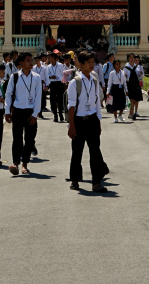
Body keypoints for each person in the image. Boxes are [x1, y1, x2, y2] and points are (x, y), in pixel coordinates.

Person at [67, 50, 107, 193]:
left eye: (93, 62)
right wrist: (71, 125)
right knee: (77, 152)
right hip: (78, 120)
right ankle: (75, 180)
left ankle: (96, 183)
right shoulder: (74, 83)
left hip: (92, 120)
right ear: (81, 64)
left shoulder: (95, 81)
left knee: (95, 152)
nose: (92, 65)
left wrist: (99, 121)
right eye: (88, 62)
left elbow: (97, 103)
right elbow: (71, 105)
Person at [4, 52, 42, 175]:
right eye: (28, 61)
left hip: (31, 112)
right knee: (17, 139)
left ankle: (25, 165)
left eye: (32, 60)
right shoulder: (14, 77)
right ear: (21, 63)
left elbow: (38, 97)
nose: (31, 63)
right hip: (18, 111)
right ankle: (15, 163)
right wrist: (7, 112)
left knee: (30, 140)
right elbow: (9, 94)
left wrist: (35, 114)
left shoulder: (36, 77)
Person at [45, 52, 66, 123]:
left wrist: (64, 83)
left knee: (60, 99)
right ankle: (55, 115)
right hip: (52, 84)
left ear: (53, 58)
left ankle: (60, 114)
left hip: (60, 83)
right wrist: (50, 77)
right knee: (52, 100)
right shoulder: (48, 66)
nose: (48, 59)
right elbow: (47, 76)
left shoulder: (60, 65)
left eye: (49, 57)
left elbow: (63, 74)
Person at [125, 53, 144, 120]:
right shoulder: (126, 67)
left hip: (135, 84)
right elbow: (125, 78)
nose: (132, 59)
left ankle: (132, 113)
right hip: (129, 84)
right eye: (130, 57)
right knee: (131, 99)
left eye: (132, 57)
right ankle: (131, 113)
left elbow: (140, 75)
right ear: (128, 59)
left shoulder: (137, 67)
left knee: (134, 99)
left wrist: (140, 74)